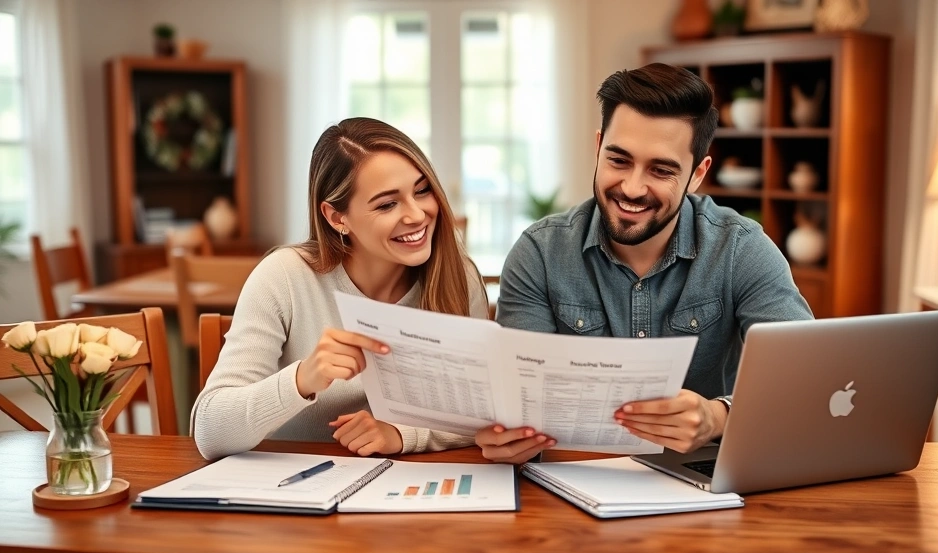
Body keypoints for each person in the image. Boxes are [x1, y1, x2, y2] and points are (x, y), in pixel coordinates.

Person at [476, 64, 813, 464]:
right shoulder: (539, 254)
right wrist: (508, 438)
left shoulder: (741, 249)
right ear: (599, 146)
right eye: (619, 160)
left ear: (697, 174)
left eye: (661, 170)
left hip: (706, 487)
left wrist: (717, 416)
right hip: (571, 478)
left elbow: (803, 381)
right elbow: (518, 399)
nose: (632, 188)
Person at [193, 118, 488, 460]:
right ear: (336, 218)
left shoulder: (457, 276)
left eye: (421, 191)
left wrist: (402, 435)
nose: (417, 214)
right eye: (387, 204)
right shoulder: (284, 277)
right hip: (294, 492)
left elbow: (481, 413)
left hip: (410, 491)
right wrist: (303, 378)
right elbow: (210, 431)